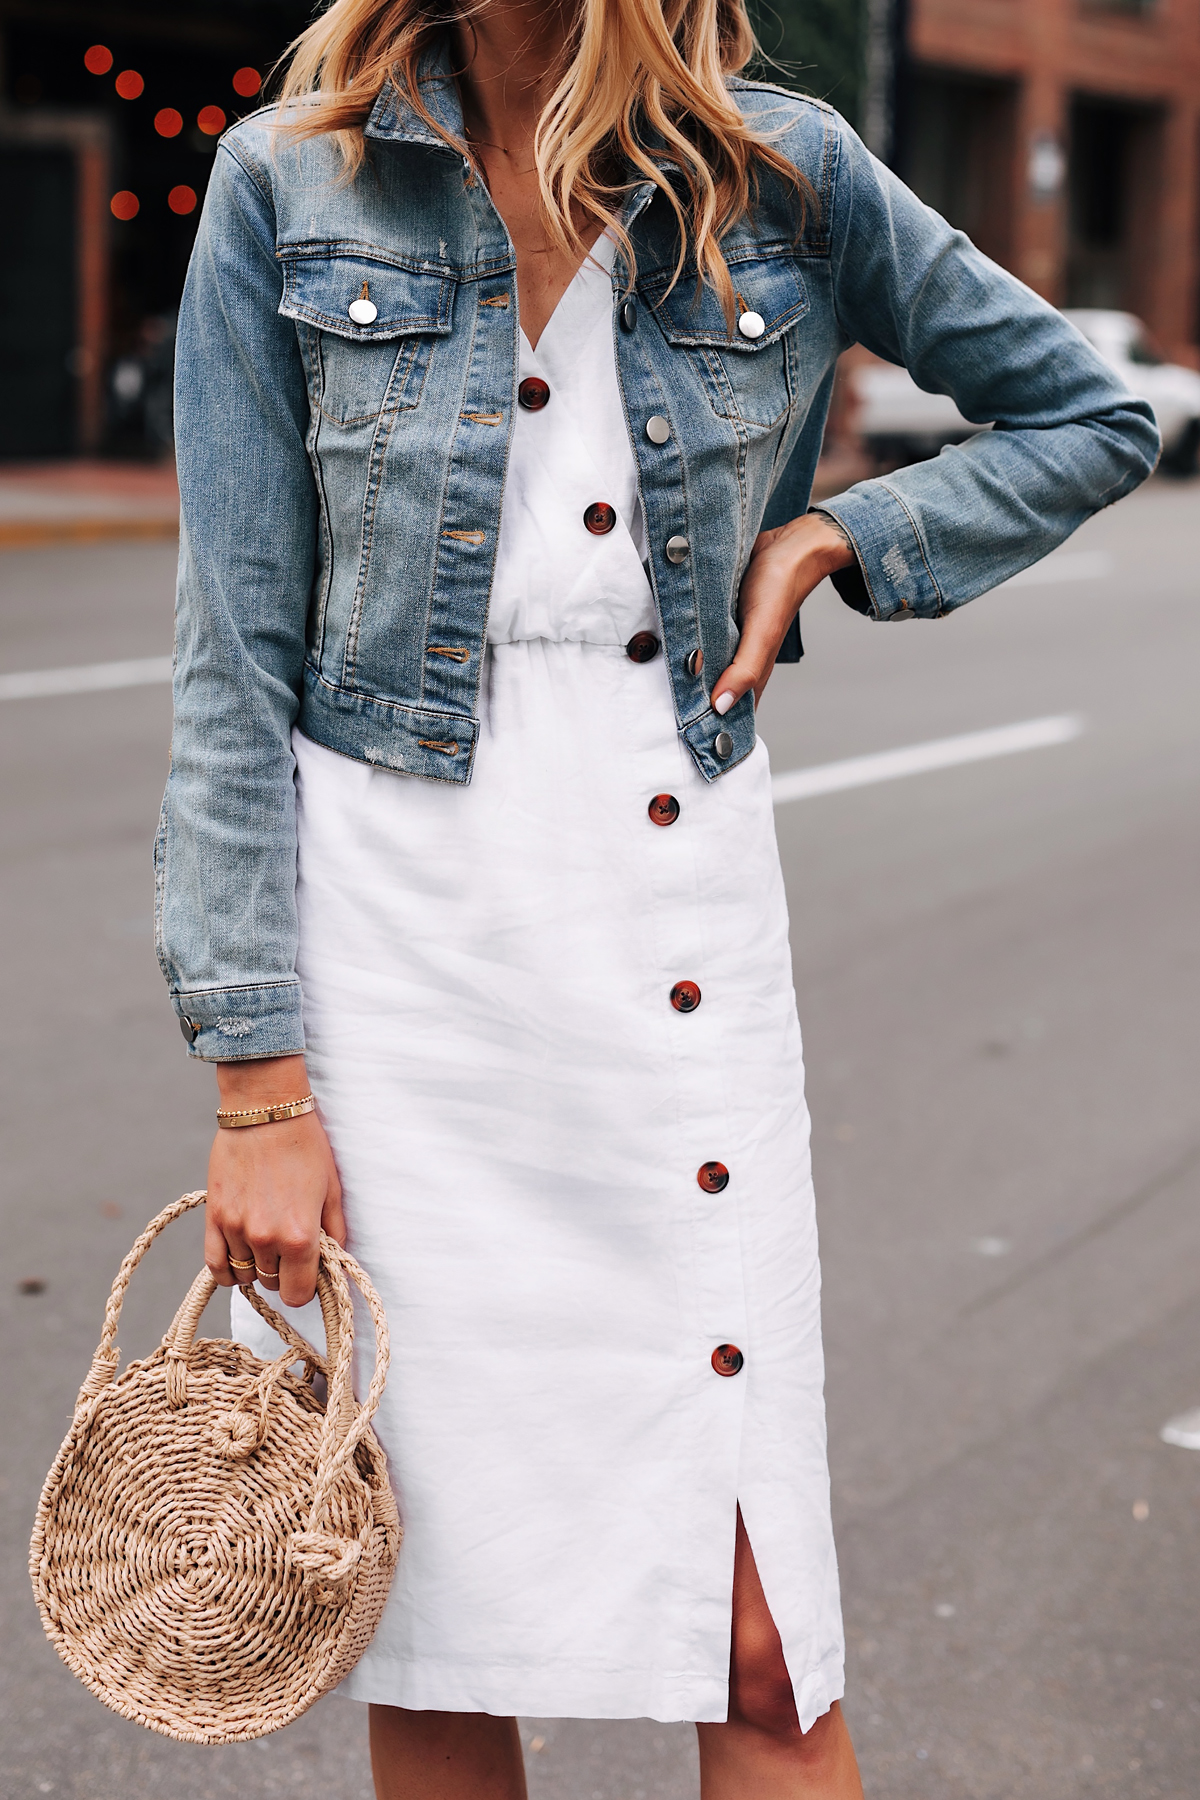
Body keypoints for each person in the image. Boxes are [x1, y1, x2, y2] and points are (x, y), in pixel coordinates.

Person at [156, 0, 1158, 1790]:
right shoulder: (284, 182)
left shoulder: (783, 172)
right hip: (401, 943)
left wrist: (849, 534)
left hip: (668, 904)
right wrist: (259, 1086)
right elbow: (234, 670)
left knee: (760, 1637)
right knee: (443, 1624)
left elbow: (1084, 413)